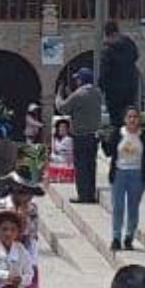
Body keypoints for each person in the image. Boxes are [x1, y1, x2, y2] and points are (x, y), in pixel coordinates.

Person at [56, 69, 105, 205]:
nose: (76, 81)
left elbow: (63, 108)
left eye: (77, 79)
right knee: (91, 165)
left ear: (81, 80)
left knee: (81, 166)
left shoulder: (79, 94)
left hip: (81, 136)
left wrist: (59, 95)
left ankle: (83, 195)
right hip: (94, 135)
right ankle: (90, 193)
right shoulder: (97, 93)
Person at [108, 107, 145, 251]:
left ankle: (129, 237)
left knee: (133, 208)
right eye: (130, 117)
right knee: (118, 207)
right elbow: (109, 151)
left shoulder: (144, 136)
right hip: (120, 173)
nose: (132, 120)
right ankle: (116, 237)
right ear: (125, 119)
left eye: (135, 117)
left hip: (136, 174)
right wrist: (102, 140)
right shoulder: (118, 133)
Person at [97, 19, 139, 127]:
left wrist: (101, 87)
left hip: (113, 92)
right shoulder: (129, 43)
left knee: (116, 121)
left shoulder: (107, 50)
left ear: (106, 33)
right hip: (130, 87)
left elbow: (104, 71)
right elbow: (136, 56)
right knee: (129, 116)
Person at [45, 118, 75, 186]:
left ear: (68, 129)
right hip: (55, 164)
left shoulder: (69, 139)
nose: (62, 129)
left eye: (64, 127)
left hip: (66, 164)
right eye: (60, 127)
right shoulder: (54, 138)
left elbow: (62, 152)